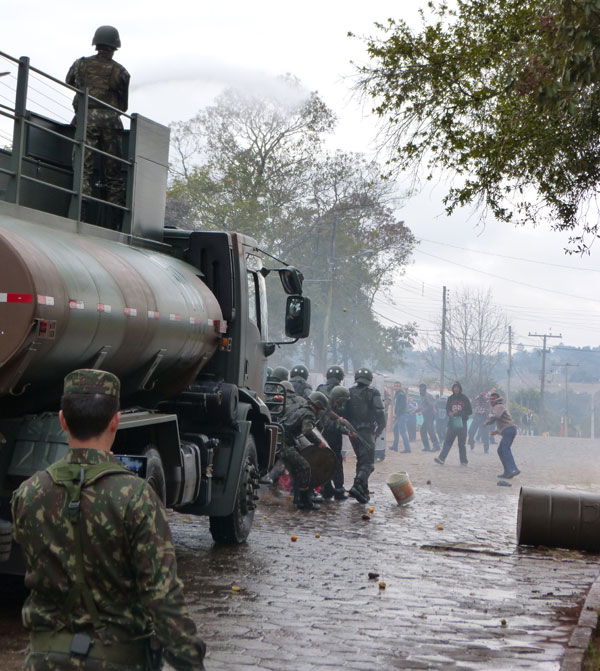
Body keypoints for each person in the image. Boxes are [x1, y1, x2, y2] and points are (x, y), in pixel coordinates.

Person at [11, 369, 206, 671]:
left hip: (44, 660)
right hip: (117, 660)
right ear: (116, 420)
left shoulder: (28, 493)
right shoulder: (136, 496)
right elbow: (162, 597)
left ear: (62, 420)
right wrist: (190, 662)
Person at [66, 26, 130, 212]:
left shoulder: (80, 64)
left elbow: (69, 81)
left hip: (85, 120)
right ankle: (114, 213)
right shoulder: (121, 72)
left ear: (96, 44)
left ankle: (81, 205)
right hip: (111, 123)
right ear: (115, 47)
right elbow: (123, 106)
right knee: (113, 172)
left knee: (83, 167)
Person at [280, 390, 330, 510]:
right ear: (317, 406)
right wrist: (318, 442)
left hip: (282, 440)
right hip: (283, 443)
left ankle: (299, 498)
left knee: (296, 468)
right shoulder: (309, 414)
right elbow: (307, 430)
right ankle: (304, 502)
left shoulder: (299, 408)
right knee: (304, 466)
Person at [345, 368, 386, 503]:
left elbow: (345, 412)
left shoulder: (349, 392)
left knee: (361, 461)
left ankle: (363, 491)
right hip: (367, 431)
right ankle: (357, 486)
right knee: (368, 463)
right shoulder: (373, 392)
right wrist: (380, 427)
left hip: (353, 431)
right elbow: (380, 411)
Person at [320, 385, 353, 501]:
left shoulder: (335, 407)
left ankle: (339, 490)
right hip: (325, 441)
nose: (341, 404)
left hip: (335, 441)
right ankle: (327, 489)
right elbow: (327, 425)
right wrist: (340, 422)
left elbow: (337, 425)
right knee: (326, 465)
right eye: (341, 401)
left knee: (338, 465)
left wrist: (347, 431)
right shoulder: (325, 407)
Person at [434, 381, 472, 466]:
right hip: (452, 423)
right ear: (453, 388)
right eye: (454, 387)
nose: (456, 389)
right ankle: (441, 459)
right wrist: (449, 413)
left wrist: (458, 413)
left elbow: (469, 411)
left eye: (457, 387)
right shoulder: (450, 398)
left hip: (462, 424)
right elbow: (447, 409)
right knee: (447, 441)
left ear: (460, 388)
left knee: (461, 443)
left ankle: (464, 461)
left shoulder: (464, 398)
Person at [484, 391, 520, 479]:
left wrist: (486, 422)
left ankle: (513, 469)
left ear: (497, 399)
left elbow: (495, 416)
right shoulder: (499, 407)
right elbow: (503, 423)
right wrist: (496, 432)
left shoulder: (498, 406)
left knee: (504, 449)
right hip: (509, 430)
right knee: (500, 450)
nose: (491, 401)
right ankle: (508, 472)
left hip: (510, 430)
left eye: (493, 399)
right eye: (490, 399)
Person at [416, 382, 440, 452]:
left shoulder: (427, 396)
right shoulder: (422, 396)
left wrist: (421, 411)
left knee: (431, 431)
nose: (421, 390)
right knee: (423, 431)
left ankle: (436, 446)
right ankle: (427, 447)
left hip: (430, 416)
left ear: (425, 389)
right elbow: (422, 406)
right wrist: (415, 411)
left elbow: (430, 406)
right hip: (426, 417)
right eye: (420, 388)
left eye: (422, 388)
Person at [390, 382, 411, 453]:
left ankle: (407, 449)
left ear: (400, 387)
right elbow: (396, 406)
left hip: (402, 415)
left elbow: (401, 407)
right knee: (395, 429)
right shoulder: (397, 394)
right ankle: (395, 446)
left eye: (397, 386)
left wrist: (396, 415)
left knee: (402, 432)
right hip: (399, 415)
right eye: (395, 386)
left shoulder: (401, 394)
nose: (396, 387)